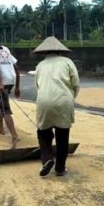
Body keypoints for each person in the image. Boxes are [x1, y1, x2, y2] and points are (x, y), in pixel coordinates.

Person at [33, 37, 80, 177]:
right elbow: (76, 84)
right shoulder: (67, 62)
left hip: (44, 101)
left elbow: (38, 86)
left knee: (43, 132)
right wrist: (70, 98)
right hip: (64, 100)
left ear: (44, 51)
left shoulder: (40, 65)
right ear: (60, 50)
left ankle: (47, 159)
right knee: (62, 135)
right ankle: (60, 168)